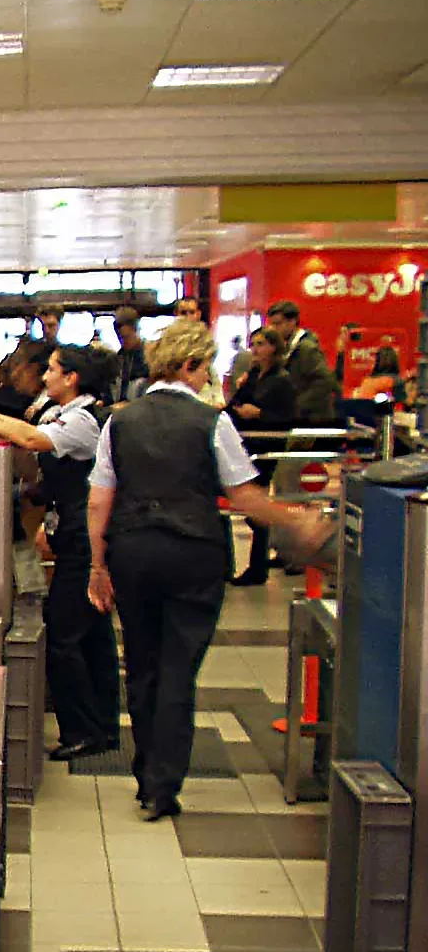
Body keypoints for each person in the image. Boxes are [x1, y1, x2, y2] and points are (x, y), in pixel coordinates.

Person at [87, 320, 329, 821]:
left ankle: (145, 771)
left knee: (143, 662)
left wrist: (97, 564)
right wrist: (296, 517)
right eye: (205, 366)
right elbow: (242, 495)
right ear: (190, 365)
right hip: (194, 552)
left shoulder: (120, 422)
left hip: (133, 550)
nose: (207, 377)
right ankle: (161, 785)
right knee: (180, 667)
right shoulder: (212, 422)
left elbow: (99, 501)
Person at [0, 345, 120, 760]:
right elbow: (24, 424)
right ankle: (102, 723)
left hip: (83, 538)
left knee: (64, 634)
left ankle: (83, 730)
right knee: (92, 635)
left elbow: (30, 437)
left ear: (72, 378)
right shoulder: (69, 412)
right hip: (76, 532)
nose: (45, 377)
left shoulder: (82, 421)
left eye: (53, 370)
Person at [226, 327, 298, 587]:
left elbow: (287, 418)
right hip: (247, 444)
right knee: (248, 502)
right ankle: (256, 563)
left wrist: (259, 415)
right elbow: (235, 403)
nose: (255, 350)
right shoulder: (255, 375)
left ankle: (257, 566)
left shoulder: (282, 380)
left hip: (266, 445)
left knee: (254, 502)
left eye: (260, 344)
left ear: (273, 348)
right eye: (253, 344)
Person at [266, 300, 339, 422]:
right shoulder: (288, 348)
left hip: (314, 420)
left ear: (292, 322)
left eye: (277, 324)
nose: (273, 329)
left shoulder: (307, 348)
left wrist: (296, 405)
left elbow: (325, 381)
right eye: (271, 324)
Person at [114, 308, 150, 403]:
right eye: (120, 338)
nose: (123, 342)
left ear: (136, 330)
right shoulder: (119, 357)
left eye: (126, 337)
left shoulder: (150, 356)